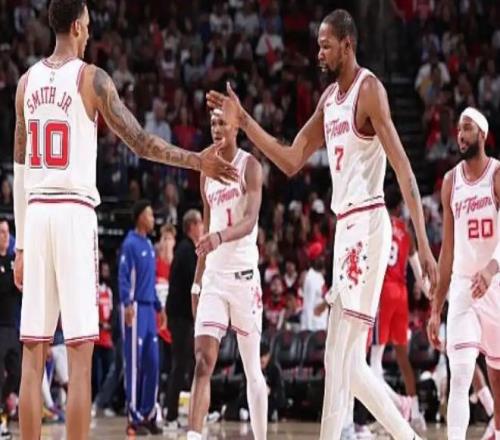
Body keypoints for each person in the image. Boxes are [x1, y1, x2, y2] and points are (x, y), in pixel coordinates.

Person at [207, 9, 437, 440]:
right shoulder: (329, 99)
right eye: (318, 45)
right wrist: (245, 121)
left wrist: (424, 244)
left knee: (340, 359)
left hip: (367, 224)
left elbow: (404, 171)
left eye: (326, 46)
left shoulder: (369, 90)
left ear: (347, 45)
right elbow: (291, 159)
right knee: (344, 364)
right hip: (345, 229)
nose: (319, 53)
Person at [12, 1, 237, 438]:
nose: (90, 33)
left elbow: (20, 167)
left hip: (35, 215)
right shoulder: (92, 79)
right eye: (88, 25)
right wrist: (196, 160)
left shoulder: (25, 83)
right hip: (73, 214)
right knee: (80, 354)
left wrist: (20, 244)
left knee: (32, 354)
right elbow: (141, 141)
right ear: (78, 27)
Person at [187, 111, 267, 440]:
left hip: (244, 278)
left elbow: (249, 221)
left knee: (253, 371)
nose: (217, 129)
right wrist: (197, 282)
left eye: (222, 123)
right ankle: (193, 436)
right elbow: (208, 227)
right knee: (203, 361)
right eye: (213, 124)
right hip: (214, 279)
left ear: (236, 127)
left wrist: (219, 238)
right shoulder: (207, 169)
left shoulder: (250, 166)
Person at [428, 107, 500, 440]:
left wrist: (491, 268)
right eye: (458, 129)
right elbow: (447, 251)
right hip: (463, 288)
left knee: (497, 376)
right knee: (460, 375)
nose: (460, 134)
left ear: (482, 134)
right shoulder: (450, 182)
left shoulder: (496, 175)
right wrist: (435, 308)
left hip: (495, 284)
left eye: (467, 128)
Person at [370, 186, 429, 433]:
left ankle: (397, 405)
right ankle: (416, 413)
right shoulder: (406, 231)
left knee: (373, 365)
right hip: (402, 295)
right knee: (403, 359)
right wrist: (433, 297)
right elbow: (419, 273)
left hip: (384, 293)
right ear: (400, 206)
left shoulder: (379, 223)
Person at [118, 200, 166, 435]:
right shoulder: (130, 244)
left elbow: (151, 280)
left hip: (149, 309)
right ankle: (133, 417)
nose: (153, 218)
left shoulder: (148, 244)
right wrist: (127, 304)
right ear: (139, 217)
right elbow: (123, 276)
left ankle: (148, 413)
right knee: (134, 364)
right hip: (135, 307)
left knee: (153, 362)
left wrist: (159, 306)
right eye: (149, 214)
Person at [164, 210, 203, 430]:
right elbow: (192, 283)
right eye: (200, 223)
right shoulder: (186, 251)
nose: (203, 227)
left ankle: (186, 411)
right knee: (179, 366)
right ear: (192, 226)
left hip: (183, 317)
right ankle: (170, 415)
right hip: (181, 317)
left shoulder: (187, 249)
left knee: (186, 365)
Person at [0, 218, 21, 439]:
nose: (5, 236)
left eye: (7, 232)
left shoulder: (14, 261)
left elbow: (20, 288)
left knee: (16, 373)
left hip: (12, 326)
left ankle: (3, 409)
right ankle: (1, 423)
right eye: (1, 232)